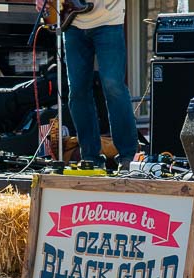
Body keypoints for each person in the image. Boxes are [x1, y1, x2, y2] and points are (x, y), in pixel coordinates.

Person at [38, 0, 138, 168]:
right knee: (77, 91)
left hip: (109, 20)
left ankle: (128, 156)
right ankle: (90, 158)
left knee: (113, 85)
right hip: (71, 23)